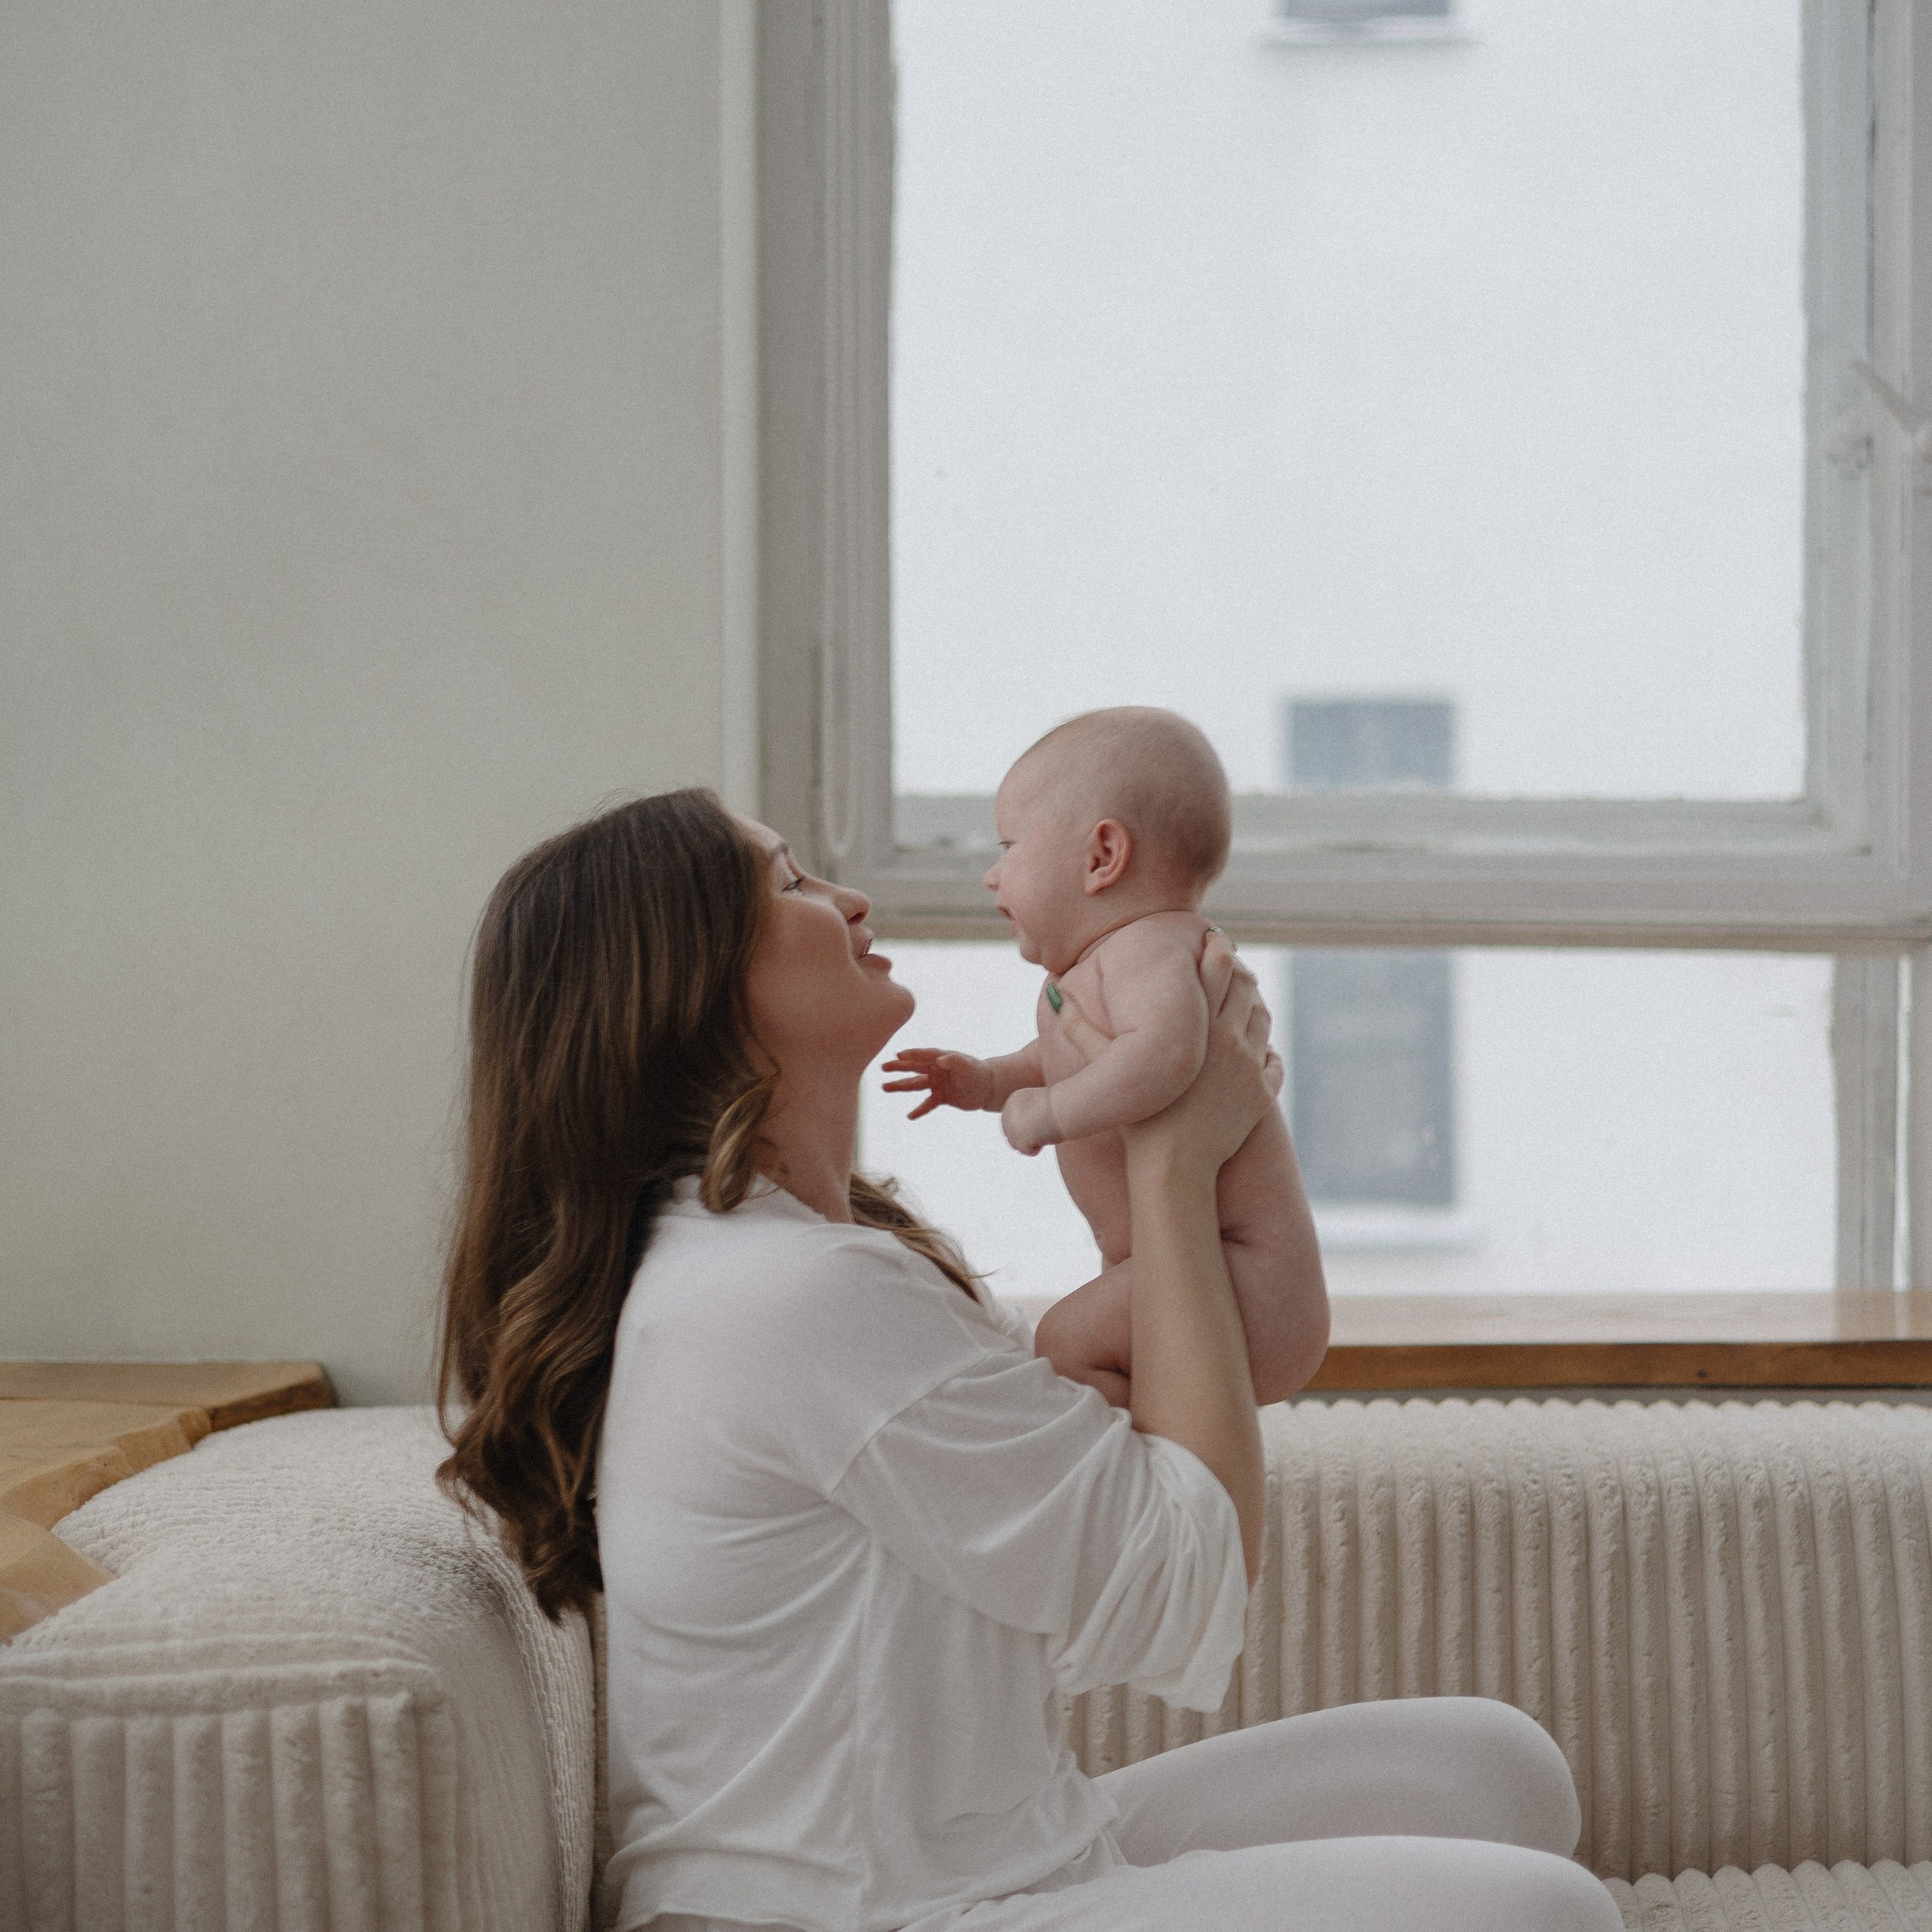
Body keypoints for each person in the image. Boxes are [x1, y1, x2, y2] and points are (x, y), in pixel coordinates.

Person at [436, 789, 1619, 1932]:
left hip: (999, 1856)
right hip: (854, 1916)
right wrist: (1173, 1160)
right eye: (791, 882)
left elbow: (1159, 1399)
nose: (847, 900)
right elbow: (1183, 1574)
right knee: (1551, 1917)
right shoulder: (787, 1292)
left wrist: (1201, 1117)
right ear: (687, 987)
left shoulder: (790, 1256)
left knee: (1504, 1772)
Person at [882, 706, 1326, 1407]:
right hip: (1195, 1265)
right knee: (1073, 1349)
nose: (992, 878)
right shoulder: (1099, 969)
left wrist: (1050, 1114)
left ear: (1101, 858)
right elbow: (1076, 1058)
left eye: (1008, 846)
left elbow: (1165, 1057)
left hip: (1244, 1274)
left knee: (1062, 1343)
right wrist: (990, 1080)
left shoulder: (1151, 949)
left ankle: (1142, 1487)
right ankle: (1160, 1466)